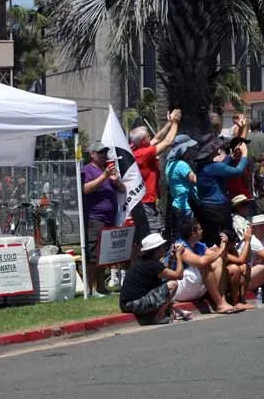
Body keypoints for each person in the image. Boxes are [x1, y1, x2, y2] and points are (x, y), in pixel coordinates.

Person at [81, 142, 125, 296]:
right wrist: (104, 176)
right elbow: (85, 189)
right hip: (95, 218)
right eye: (100, 152)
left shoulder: (107, 170)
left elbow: (122, 189)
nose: (104, 155)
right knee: (93, 255)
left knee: (103, 254)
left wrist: (115, 180)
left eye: (105, 152)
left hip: (109, 218)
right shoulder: (87, 170)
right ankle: (90, 288)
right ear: (92, 154)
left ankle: (101, 287)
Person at [170, 220, 242, 314]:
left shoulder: (198, 245)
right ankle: (219, 303)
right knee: (205, 266)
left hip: (193, 286)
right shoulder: (180, 246)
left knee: (221, 263)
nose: (202, 231)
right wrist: (220, 250)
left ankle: (222, 300)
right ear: (193, 233)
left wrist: (224, 244)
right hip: (179, 288)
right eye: (199, 229)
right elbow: (201, 262)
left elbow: (219, 257)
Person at [129, 109, 182, 237]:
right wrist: (175, 122)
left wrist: (169, 123)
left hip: (145, 200)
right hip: (146, 201)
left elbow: (158, 138)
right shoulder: (143, 154)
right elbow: (167, 141)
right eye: (148, 136)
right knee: (153, 233)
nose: (150, 138)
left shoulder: (135, 148)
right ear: (143, 141)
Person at [119, 233, 189, 325]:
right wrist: (179, 256)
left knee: (167, 289)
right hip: (133, 304)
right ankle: (159, 317)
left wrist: (172, 259)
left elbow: (166, 275)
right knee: (173, 285)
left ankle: (170, 313)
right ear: (157, 250)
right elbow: (178, 276)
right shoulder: (151, 264)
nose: (165, 248)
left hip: (129, 303)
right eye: (163, 246)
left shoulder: (147, 262)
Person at [194, 137, 249, 242]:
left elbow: (222, 167)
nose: (218, 151)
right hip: (218, 209)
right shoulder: (214, 167)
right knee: (224, 237)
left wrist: (232, 157)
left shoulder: (202, 166)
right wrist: (244, 155)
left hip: (206, 208)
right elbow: (238, 171)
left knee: (210, 238)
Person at [164, 134, 197, 240]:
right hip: (186, 205)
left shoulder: (169, 164)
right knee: (189, 234)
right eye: (188, 149)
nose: (189, 152)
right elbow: (195, 180)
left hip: (177, 204)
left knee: (180, 232)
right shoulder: (182, 164)